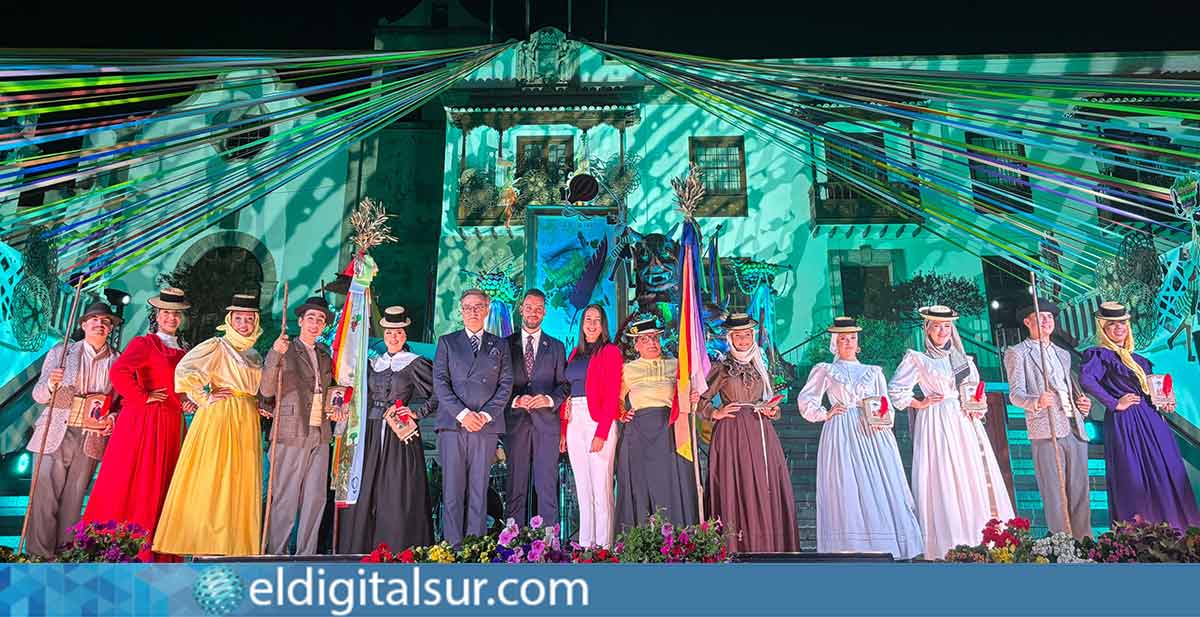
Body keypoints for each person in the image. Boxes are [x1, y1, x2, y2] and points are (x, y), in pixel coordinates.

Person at [888, 305, 1015, 560]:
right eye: (936, 326)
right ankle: (946, 542)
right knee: (943, 474)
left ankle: (976, 537)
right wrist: (919, 403)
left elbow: (974, 393)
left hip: (963, 421)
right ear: (928, 329)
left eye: (946, 326)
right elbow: (895, 390)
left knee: (970, 473)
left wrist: (976, 409)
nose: (942, 331)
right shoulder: (918, 359)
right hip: (936, 421)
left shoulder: (963, 360)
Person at [797, 316, 922, 559]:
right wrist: (825, 412)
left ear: (858, 342)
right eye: (843, 339)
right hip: (841, 431)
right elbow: (807, 399)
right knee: (846, 485)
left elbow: (884, 403)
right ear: (835, 343)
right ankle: (849, 546)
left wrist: (881, 420)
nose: (848, 342)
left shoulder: (873, 372)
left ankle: (884, 543)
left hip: (871, 432)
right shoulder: (826, 370)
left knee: (877, 482)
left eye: (852, 338)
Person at [82, 287, 192, 561]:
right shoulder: (145, 344)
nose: (171, 318)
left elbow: (180, 388)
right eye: (166, 312)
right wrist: (143, 397)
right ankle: (119, 548)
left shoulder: (185, 350)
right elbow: (118, 372)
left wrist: (187, 402)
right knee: (135, 481)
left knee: (163, 483)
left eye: (176, 314)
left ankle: (157, 550)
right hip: (143, 421)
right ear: (157, 314)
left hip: (171, 423)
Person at [154, 293, 265, 556]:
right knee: (214, 475)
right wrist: (205, 396)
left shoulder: (254, 354)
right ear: (229, 320)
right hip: (220, 416)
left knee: (240, 479)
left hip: (247, 418)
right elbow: (184, 371)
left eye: (249, 319)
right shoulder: (217, 345)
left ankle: (233, 544)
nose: (244, 324)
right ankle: (203, 541)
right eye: (238, 318)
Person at [1080, 301, 1200, 529]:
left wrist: (1166, 402)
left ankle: (1177, 533)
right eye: (1113, 325)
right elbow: (1086, 379)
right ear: (1103, 328)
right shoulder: (1099, 354)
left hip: (1153, 421)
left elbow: (1155, 390)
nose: (1119, 329)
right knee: (1133, 475)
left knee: (1167, 473)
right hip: (1126, 423)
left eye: (1123, 324)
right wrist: (1114, 403)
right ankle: (1140, 538)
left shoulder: (1140, 360)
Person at [695, 313, 799, 553]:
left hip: (761, 430)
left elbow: (771, 399)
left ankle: (769, 545)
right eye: (738, 336)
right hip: (731, 434)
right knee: (734, 485)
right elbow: (701, 399)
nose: (743, 340)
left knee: (766, 484)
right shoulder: (722, 367)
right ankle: (736, 545)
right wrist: (715, 413)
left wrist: (773, 411)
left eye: (747, 335)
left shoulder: (761, 365)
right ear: (731, 338)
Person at [25, 301, 121, 558]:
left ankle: (64, 554)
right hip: (55, 430)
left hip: (90, 436)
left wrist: (112, 417)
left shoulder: (118, 361)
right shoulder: (61, 352)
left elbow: (120, 403)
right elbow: (37, 395)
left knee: (73, 500)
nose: (100, 324)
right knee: (44, 497)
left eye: (105, 321)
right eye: (94, 320)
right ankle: (38, 555)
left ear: (110, 328)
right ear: (83, 325)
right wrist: (50, 384)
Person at [338, 306, 435, 553]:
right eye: (390, 331)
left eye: (399, 332)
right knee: (367, 485)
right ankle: (363, 546)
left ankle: (397, 546)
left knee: (397, 488)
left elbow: (439, 394)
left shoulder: (415, 363)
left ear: (405, 333)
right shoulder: (373, 363)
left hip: (400, 434)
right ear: (384, 332)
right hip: (370, 431)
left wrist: (417, 413)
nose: (394, 336)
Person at [1004, 298, 1093, 539]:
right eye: (1040, 317)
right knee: (1055, 493)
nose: (1046, 321)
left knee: (1079, 491)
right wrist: (1036, 402)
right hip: (1046, 430)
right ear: (1027, 321)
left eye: (1049, 317)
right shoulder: (1018, 353)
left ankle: (1084, 542)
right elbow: (1015, 394)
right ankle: (1062, 544)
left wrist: (1081, 405)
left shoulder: (1063, 354)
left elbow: (1068, 388)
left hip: (1074, 427)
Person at [432, 289, 513, 547]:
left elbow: (506, 384)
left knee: (479, 491)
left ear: (487, 308)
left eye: (478, 306)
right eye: (468, 307)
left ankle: (474, 548)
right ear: (460, 310)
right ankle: (452, 549)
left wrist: (485, 415)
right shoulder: (447, 342)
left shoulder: (500, 345)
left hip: (485, 427)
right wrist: (465, 414)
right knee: (453, 491)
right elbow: (440, 383)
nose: (473, 311)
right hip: (453, 425)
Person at [260, 296, 338, 555]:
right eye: (311, 319)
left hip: (321, 432)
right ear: (301, 321)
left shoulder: (325, 355)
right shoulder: (285, 349)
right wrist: (274, 355)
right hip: (291, 430)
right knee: (285, 497)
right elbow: (267, 389)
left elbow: (330, 391)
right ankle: (276, 554)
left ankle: (307, 555)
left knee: (316, 499)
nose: (315, 324)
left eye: (321, 320)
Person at [615, 314, 698, 533]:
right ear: (636, 344)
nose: (652, 342)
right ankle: (640, 540)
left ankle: (677, 539)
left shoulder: (677, 365)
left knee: (670, 485)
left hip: (670, 432)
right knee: (640, 486)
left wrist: (693, 395)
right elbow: (616, 399)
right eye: (646, 339)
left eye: (655, 337)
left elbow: (687, 393)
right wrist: (622, 413)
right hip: (639, 433)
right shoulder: (627, 369)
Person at [504, 289, 569, 527]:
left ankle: (550, 546)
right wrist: (515, 400)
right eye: (529, 307)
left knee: (546, 487)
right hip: (515, 424)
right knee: (515, 485)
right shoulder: (504, 345)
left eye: (539, 308)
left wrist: (549, 400)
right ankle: (512, 543)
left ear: (545, 312)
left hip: (546, 425)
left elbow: (564, 386)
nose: (534, 312)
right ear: (521, 309)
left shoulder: (557, 346)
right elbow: (498, 386)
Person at [560, 304, 623, 547]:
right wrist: (564, 430)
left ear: (603, 325)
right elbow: (567, 394)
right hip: (575, 418)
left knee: (601, 487)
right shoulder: (575, 353)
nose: (592, 323)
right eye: (588, 318)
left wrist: (602, 431)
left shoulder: (610, 352)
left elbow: (611, 394)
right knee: (583, 489)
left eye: (597, 319)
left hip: (598, 419)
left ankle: (604, 547)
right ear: (582, 323)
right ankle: (586, 546)